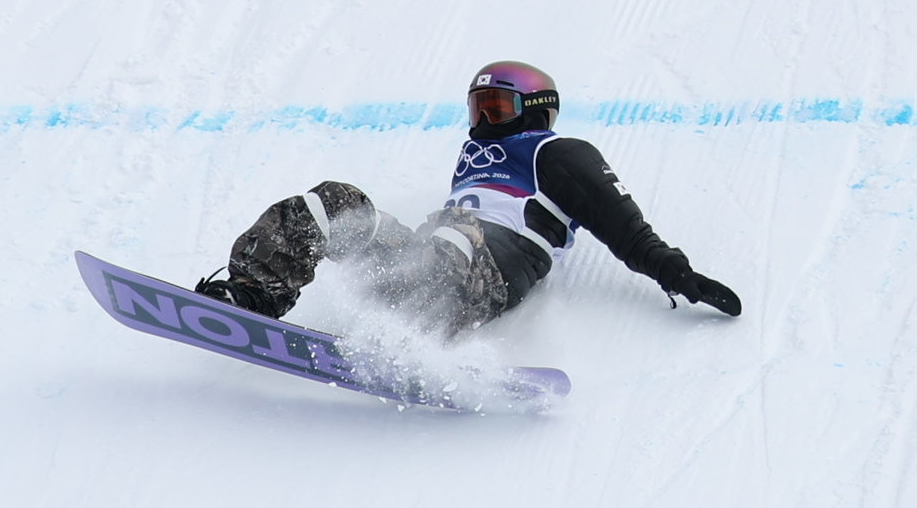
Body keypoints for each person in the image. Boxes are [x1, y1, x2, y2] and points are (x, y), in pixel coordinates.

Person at [196, 61, 741, 335]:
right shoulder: (473, 155)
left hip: (493, 271)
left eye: (498, 109)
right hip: (426, 259)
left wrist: (677, 273)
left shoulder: (560, 152)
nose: (483, 121)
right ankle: (253, 296)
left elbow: (626, 228)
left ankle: (410, 339)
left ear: (535, 109)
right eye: (478, 108)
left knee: (458, 234)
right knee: (335, 201)